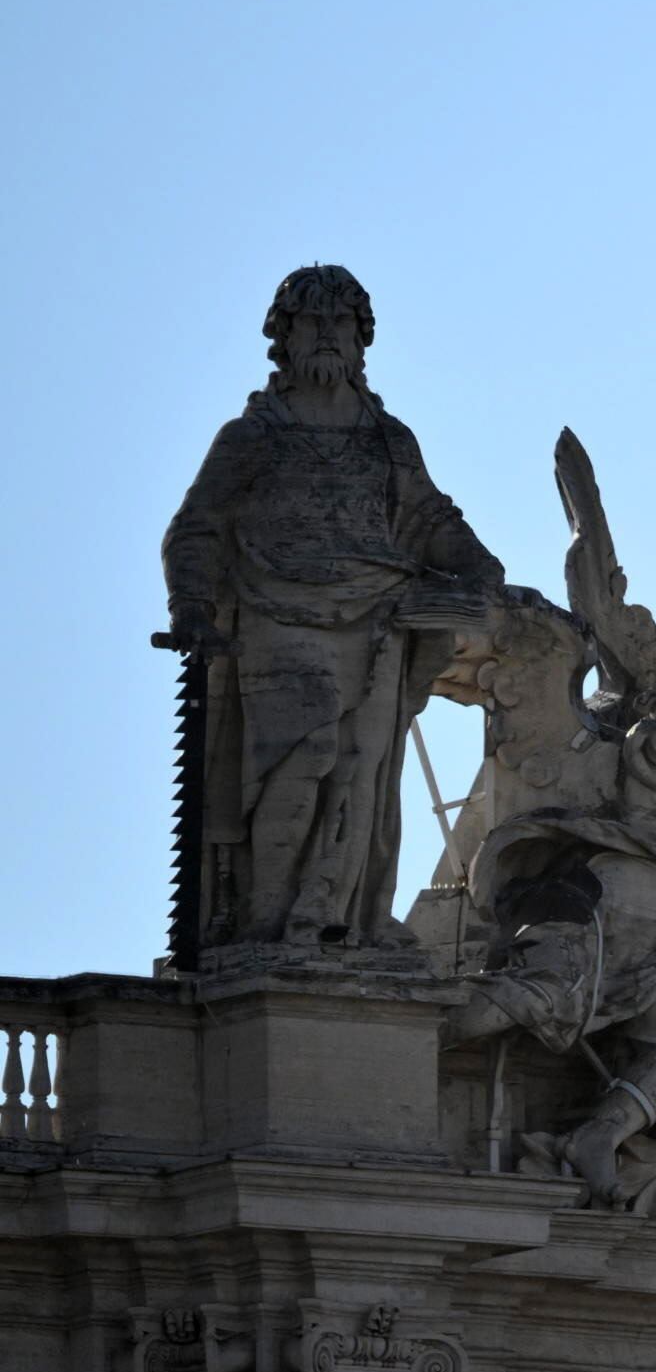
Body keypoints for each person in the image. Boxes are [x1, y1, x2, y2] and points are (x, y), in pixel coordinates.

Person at [160, 266, 501, 950]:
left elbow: (432, 517)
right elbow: (195, 526)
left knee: (360, 775)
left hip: (379, 621)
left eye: (338, 322)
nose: (325, 335)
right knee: (298, 761)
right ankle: (269, 923)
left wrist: (479, 567)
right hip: (276, 618)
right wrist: (192, 602)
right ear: (282, 338)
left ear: (360, 337)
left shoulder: (389, 439)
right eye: (310, 322)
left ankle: (342, 923)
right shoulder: (251, 437)